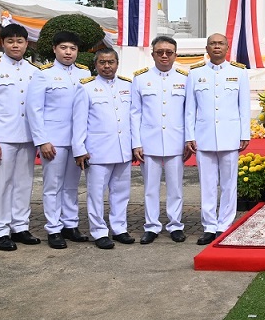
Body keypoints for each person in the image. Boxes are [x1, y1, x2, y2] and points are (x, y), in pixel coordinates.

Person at [0, 23, 40, 251]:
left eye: (20, 41)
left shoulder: (34, 71)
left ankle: (20, 226)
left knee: (24, 183)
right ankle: (1, 230)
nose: (15, 45)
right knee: (1, 184)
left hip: (28, 137)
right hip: (2, 136)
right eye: (10, 41)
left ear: (26, 44)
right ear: (2, 43)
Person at [185, 34, 250, 245]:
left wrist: (244, 134)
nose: (216, 47)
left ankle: (225, 224)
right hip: (204, 138)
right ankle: (209, 226)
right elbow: (189, 109)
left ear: (227, 47)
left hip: (230, 137)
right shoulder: (195, 74)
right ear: (207, 47)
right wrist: (190, 135)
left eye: (220, 43)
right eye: (212, 43)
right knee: (208, 184)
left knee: (229, 184)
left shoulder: (238, 72)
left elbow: (244, 107)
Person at [27, 31, 88, 249]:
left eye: (72, 48)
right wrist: (42, 140)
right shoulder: (44, 74)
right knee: (52, 186)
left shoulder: (84, 73)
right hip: (54, 140)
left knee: (72, 186)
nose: (68, 52)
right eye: (63, 48)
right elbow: (34, 109)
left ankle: (70, 224)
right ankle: (53, 228)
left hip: (77, 141)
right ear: (54, 49)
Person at [131, 36, 191, 244]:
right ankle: (152, 226)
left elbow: (189, 112)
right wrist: (136, 143)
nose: (164, 56)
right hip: (149, 142)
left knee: (176, 187)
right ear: (153, 53)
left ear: (175, 54)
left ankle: (175, 225)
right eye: (160, 52)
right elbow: (135, 113)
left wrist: (188, 140)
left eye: (169, 52)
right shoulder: (140, 79)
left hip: (176, 141)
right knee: (150, 188)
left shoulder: (185, 78)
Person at [73, 49, 135, 250]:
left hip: (122, 149)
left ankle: (119, 228)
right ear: (96, 65)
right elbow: (79, 121)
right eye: (102, 63)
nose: (107, 66)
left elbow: (132, 118)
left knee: (121, 193)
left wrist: (134, 145)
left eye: (111, 62)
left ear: (117, 63)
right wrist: (79, 149)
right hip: (98, 150)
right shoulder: (86, 88)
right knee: (96, 194)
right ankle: (99, 231)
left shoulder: (128, 85)